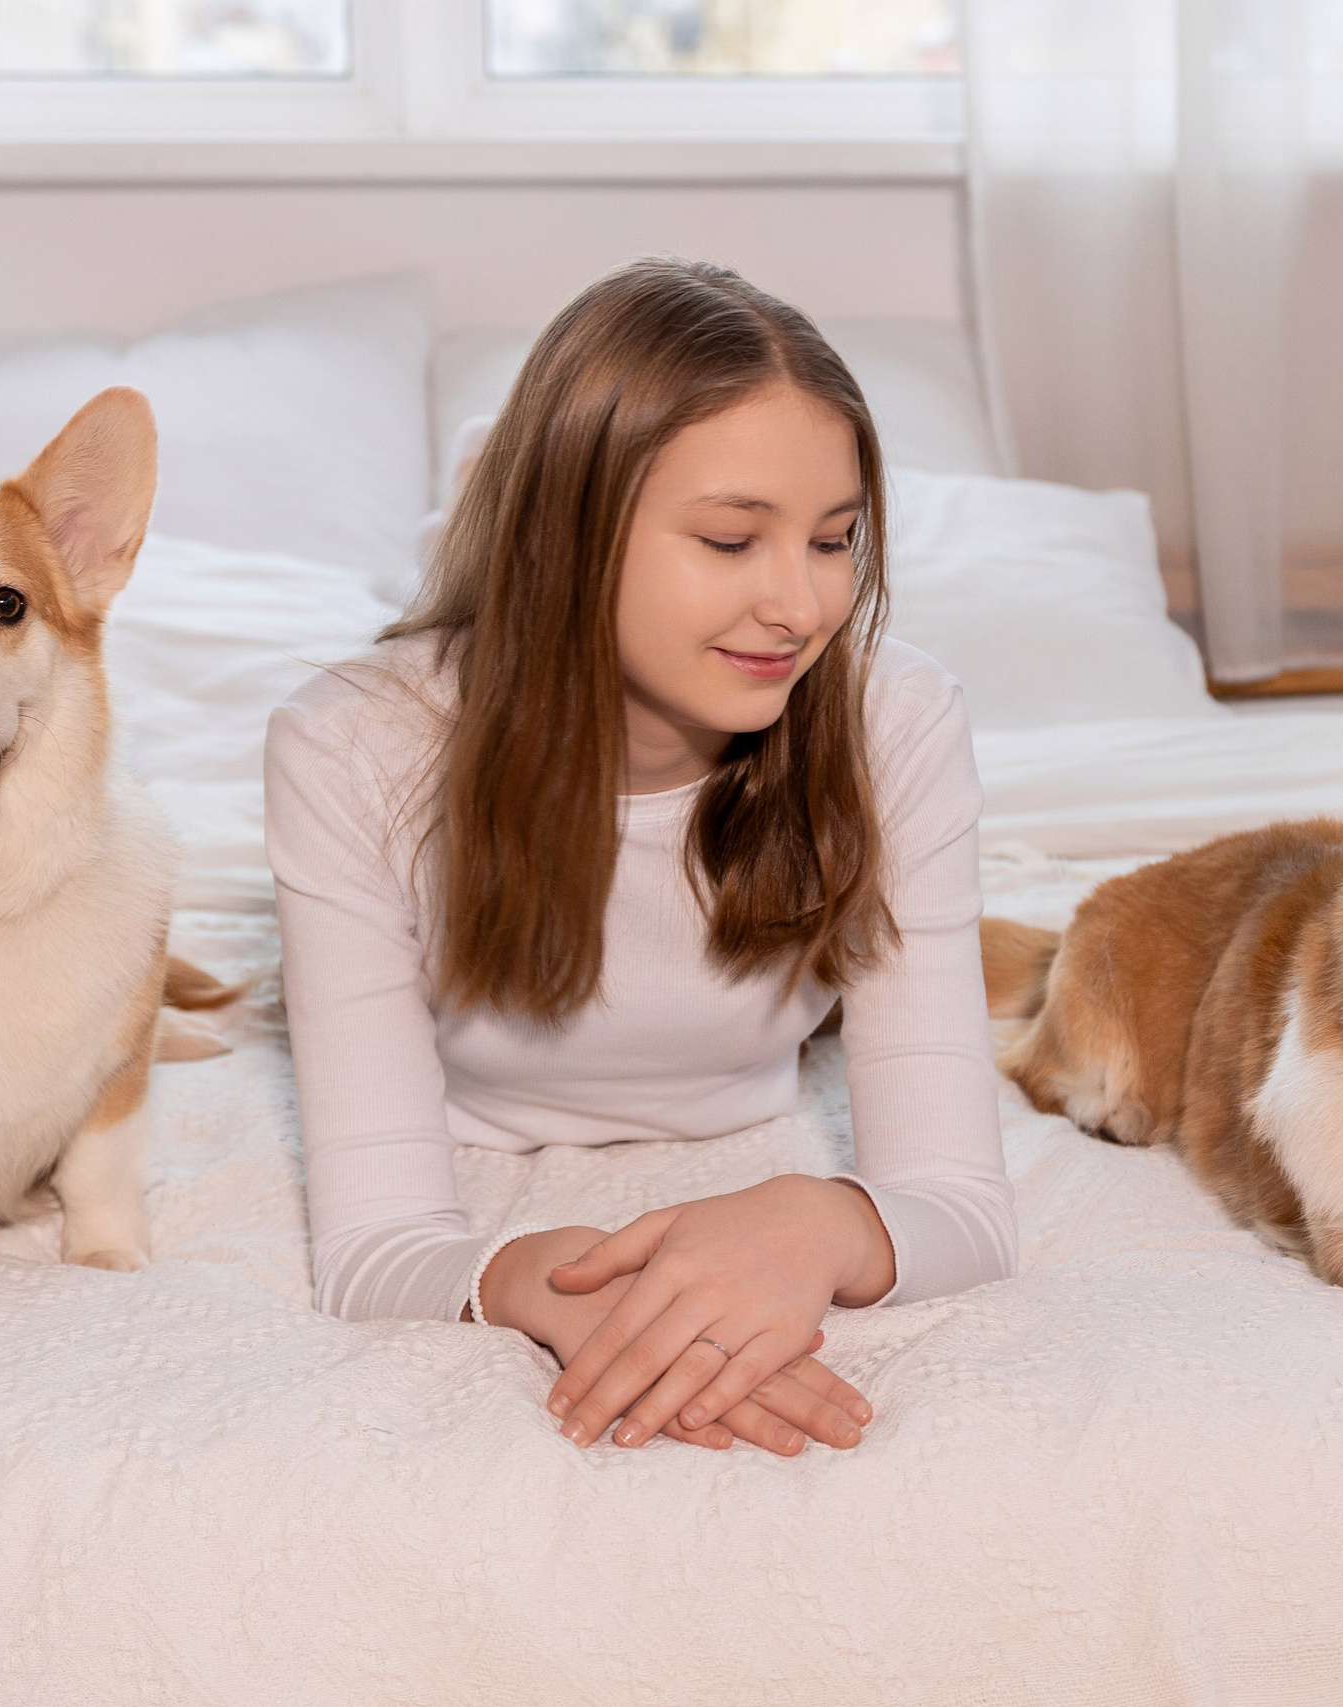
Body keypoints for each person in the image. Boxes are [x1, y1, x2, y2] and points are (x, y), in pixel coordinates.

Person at [265, 257, 1013, 1457]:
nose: (801, 607)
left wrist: (818, 1221)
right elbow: (375, 1248)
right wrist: (537, 1279)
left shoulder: (897, 720)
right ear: (567, 537)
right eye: (730, 539)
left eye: (834, 541)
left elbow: (961, 1205)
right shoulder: (348, 748)